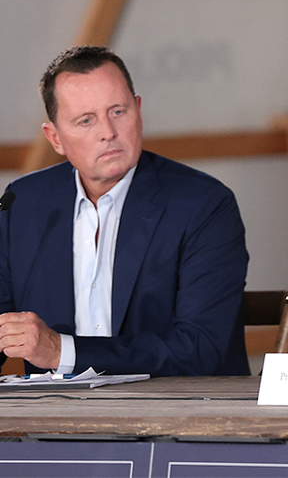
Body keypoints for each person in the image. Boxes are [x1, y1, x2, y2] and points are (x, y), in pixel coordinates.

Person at [0, 46, 249, 376]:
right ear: (55, 138)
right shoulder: (24, 202)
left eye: (118, 111)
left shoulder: (203, 205)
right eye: (86, 120)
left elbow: (199, 348)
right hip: (54, 422)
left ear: (139, 111)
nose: (108, 132)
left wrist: (64, 352)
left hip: (172, 417)